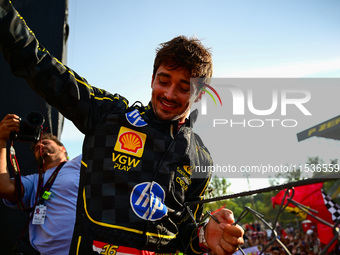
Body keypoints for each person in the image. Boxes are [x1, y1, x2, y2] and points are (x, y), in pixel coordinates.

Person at [0, 1, 244, 254]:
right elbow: (39, 66)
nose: (170, 94)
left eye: (184, 88)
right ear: (152, 79)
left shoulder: (200, 158)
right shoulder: (110, 115)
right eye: (163, 81)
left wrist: (203, 238)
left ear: (200, 94)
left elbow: (183, 237)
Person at [0, 114, 81, 255]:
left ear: (63, 148)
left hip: (83, 248)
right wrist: (1, 141)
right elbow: (4, 187)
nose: (40, 145)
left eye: (46, 142)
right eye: (36, 147)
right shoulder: (33, 180)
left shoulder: (80, 164)